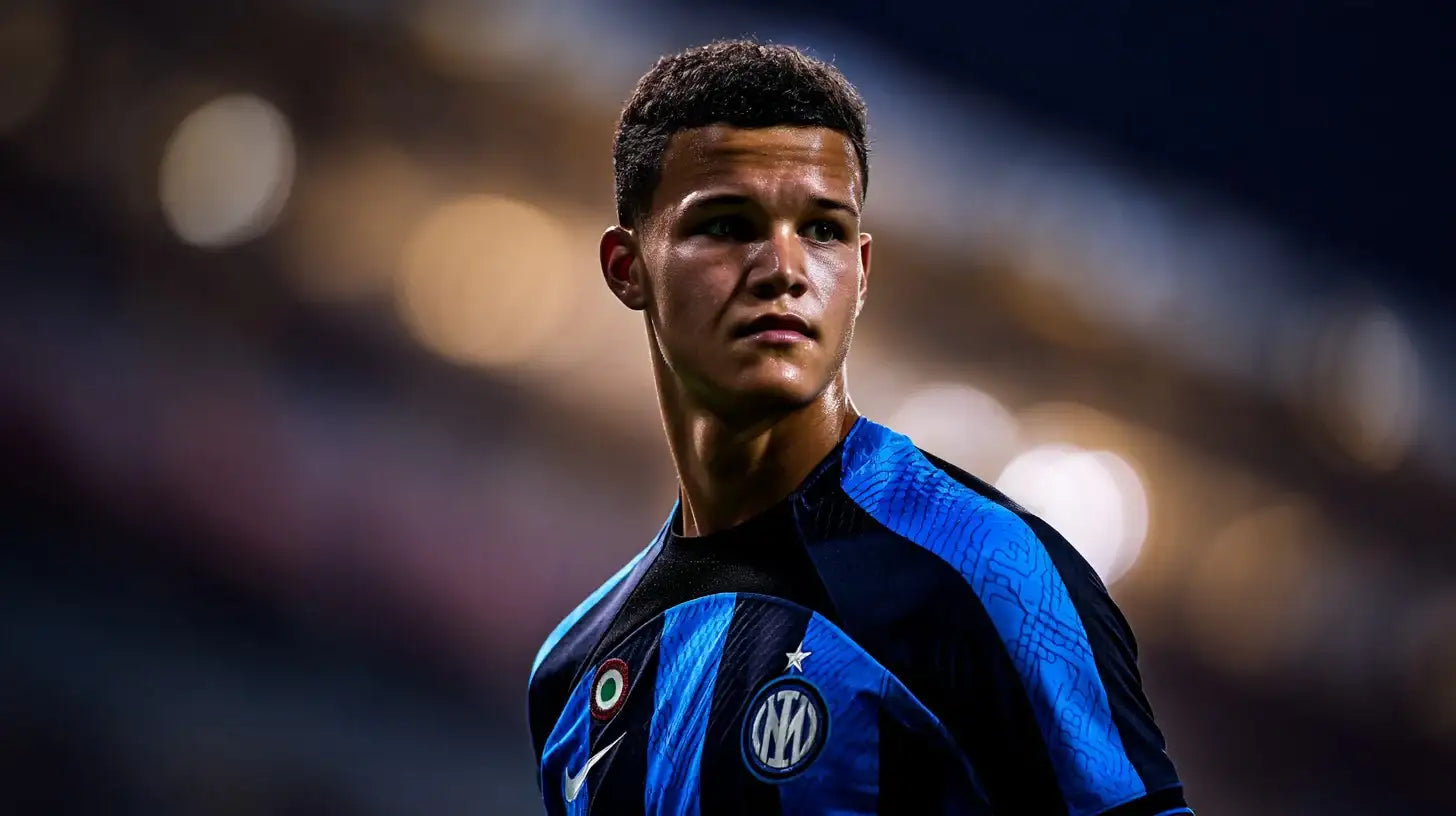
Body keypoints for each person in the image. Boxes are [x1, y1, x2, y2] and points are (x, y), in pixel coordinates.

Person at [527, 39, 1190, 816]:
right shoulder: (574, 672)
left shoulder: (990, 575)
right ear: (627, 266)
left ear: (863, 273)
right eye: (729, 224)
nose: (785, 268)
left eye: (824, 230)